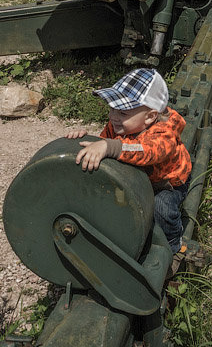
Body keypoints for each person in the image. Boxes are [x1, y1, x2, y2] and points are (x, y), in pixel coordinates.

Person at [65, 68, 191, 251]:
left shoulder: (163, 132)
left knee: (161, 208)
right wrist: (86, 140)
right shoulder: (118, 127)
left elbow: (147, 151)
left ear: (150, 117)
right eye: (112, 109)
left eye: (123, 113)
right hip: (138, 181)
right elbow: (104, 145)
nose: (113, 116)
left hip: (167, 183)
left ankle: (172, 245)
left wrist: (110, 146)